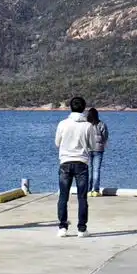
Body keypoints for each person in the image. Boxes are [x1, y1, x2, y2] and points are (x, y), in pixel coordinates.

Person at [55, 96, 96, 237]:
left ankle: (62, 227)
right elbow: (93, 146)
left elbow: (57, 143)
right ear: (84, 108)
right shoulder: (88, 126)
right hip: (82, 163)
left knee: (63, 197)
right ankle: (82, 228)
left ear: (70, 107)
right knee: (82, 197)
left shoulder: (62, 124)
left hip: (65, 162)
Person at [86, 107, 108, 197]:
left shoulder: (85, 125)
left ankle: (88, 190)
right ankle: (96, 190)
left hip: (87, 149)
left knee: (89, 170)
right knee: (96, 170)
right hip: (98, 149)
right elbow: (105, 136)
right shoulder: (101, 124)